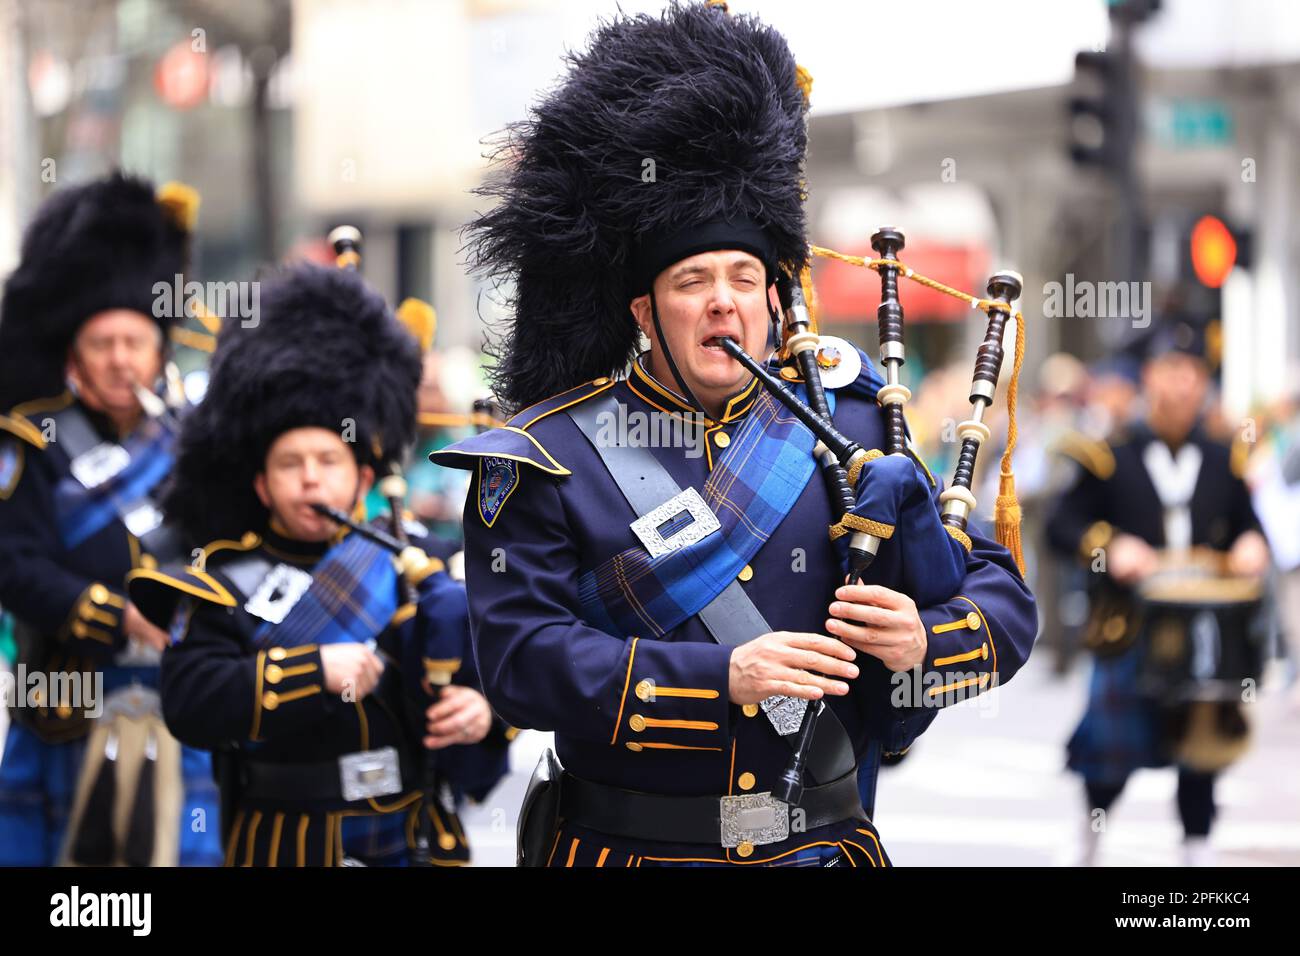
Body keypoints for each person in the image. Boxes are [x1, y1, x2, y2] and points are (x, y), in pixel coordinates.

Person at [433, 1, 1038, 867]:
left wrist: (925, 643)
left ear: (770, 300)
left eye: (744, 277)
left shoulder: (856, 421)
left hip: (825, 849)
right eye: (693, 280)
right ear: (645, 310)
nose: (723, 299)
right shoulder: (548, 455)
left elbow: (1005, 598)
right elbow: (519, 660)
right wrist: (725, 680)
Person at [127, 264, 510, 866]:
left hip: (411, 834)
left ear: (361, 476)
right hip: (283, 841)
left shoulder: (426, 561)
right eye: (290, 463)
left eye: (327, 460)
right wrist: (315, 670)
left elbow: (509, 661)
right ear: (261, 484)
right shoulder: (222, 580)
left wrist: (486, 712)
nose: (310, 477)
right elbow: (190, 701)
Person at [0, 172, 222, 866]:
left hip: (180, 696)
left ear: (160, 348)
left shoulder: (200, 438)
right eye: (103, 344)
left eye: (135, 341)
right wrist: (115, 613)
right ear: (74, 355)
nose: (121, 359)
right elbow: (12, 561)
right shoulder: (31, 440)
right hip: (65, 701)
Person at [1047, 319, 1271, 866]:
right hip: (1129, 627)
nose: (1183, 384)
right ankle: (1090, 845)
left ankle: (1198, 855)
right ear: (1149, 377)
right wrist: (1111, 545)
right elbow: (1061, 526)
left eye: (1194, 372)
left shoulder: (1225, 459)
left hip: (1204, 631)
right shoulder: (1108, 455)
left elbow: (1251, 525)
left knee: (1201, 749)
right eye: (1172, 370)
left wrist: (1251, 544)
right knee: (1110, 756)